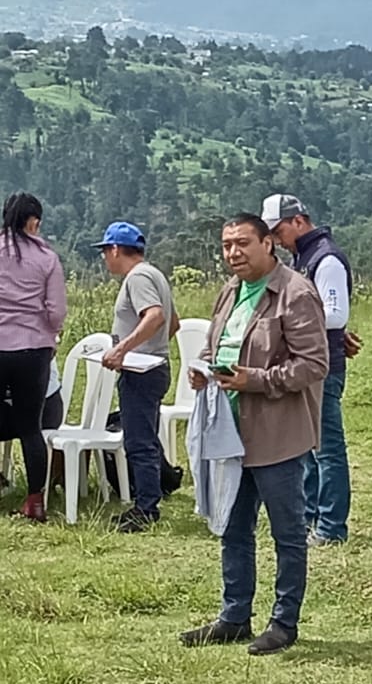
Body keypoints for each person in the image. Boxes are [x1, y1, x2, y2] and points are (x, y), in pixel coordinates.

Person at [179, 212, 328, 656]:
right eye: (226, 245)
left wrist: (256, 380)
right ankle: (234, 615)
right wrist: (205, 370)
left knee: (287, 532)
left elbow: (313, 364)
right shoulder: (230, 291)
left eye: (243, 243)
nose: (233, 253)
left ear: (269, 243)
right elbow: (216, 345)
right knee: (233, 527)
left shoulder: (296, 293)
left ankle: (284, 623)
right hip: (228, 428)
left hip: (277, 432)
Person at [261, 194, 360, 546]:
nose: (276, 238)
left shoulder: (326, 259)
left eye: (279, 230)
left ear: (299, 221)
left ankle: (331, 526)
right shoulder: (306, 256)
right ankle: (311, 516)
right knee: (309, 445)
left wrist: (289, 321)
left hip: (321, 364)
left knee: (327, 448)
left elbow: (336, 315)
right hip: (310, 361)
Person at [96, 221, 179, 533]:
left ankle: (146, 507)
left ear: (116, 249)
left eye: (106, 252)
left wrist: (124, 350)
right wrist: (154, 347)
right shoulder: (155, 274)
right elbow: (174, 324)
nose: (105, 259)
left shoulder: (138, 277)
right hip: (156, 366)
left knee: (139, 441)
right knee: (146, 433)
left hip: (142, 372)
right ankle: (159, 485)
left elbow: (156, 316)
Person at [0, 193, 66, 522]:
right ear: (34, 222)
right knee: (31, 427)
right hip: (33, 350)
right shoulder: (47, 259)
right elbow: (56, 313)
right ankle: (35, 502)